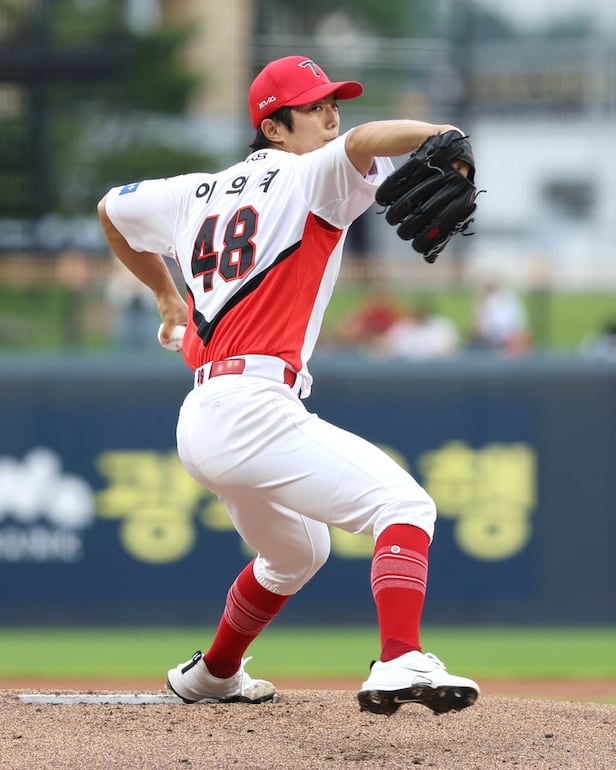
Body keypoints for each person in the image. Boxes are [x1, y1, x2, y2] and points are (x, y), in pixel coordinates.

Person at [97, 55, 479, 716]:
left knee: (298, 553)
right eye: (312, 107)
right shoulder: (311, 175)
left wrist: (166, 296)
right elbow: (365, 141)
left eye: (332, 103)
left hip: (205, 415)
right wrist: (447, 136)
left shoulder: (193, 192)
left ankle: (212, 673)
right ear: (272, 128)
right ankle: (400, 658)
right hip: (253, 408)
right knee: (405, 506)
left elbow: (110, 209)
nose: (330, 116)